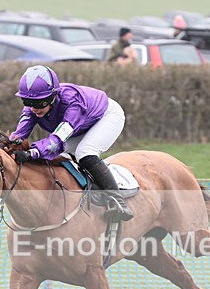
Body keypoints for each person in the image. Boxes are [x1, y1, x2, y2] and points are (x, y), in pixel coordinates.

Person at [9, 65, 133, 221]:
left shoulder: (73, 103)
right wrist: (7, 145)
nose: (34, 108)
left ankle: (118, 202)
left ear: (53, 97)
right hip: (81, 124)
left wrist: (31, 153)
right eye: (27, 101)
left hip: (106, 116)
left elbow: (56, 141)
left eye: (40, 103)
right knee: (60, 157)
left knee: (84, 152)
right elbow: (18, 135)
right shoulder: (33, 107)